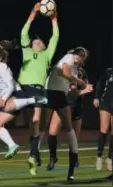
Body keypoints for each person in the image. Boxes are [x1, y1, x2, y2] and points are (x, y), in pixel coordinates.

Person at [0, 40, 47, 159]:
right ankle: (12, 145)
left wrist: (4, 98)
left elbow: (11, 86)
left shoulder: (3, 67)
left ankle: (33, 100)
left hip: (17, 94)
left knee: (7, 106)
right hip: (8, 96)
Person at [17, 2, 59, 174]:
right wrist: (32, 15)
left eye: (39, 40)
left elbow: (55, 37)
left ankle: (33, 154)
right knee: (12, 115)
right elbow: (23, 33)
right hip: (21, 89)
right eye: (34, 40)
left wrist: (54, 20)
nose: (36, 41)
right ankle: (31, 150)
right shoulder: (26, 51)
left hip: (38, 90)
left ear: (43, 45)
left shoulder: (47, 55)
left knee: (35, 122)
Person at [45, 47, 93, 181]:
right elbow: (71, 84)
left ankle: (71, 170)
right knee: (52, 131)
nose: (78, 58)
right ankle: (52, 157)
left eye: (81, 57)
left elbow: (76, 91)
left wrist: (84, 89)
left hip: (74, 105)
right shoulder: (68, 62)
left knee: (73, 137)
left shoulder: (79, 70)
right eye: (77, 55)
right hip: (62, 99)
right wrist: (80, 83)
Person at [93, 67, 113, 172]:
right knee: (104, 129)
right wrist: (96, 97)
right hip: (106, 102)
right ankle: (99, 156)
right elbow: (100, 82)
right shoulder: (109, 71)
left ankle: (110, 158)